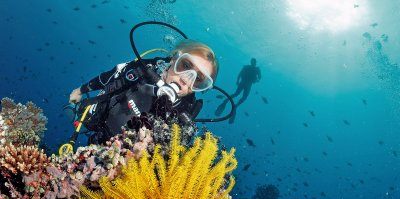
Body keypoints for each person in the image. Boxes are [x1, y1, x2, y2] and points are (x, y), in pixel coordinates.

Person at [69, 39, 218, 144]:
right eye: (185, 65)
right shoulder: (143, 70)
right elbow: (109, 77)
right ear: (174, 59)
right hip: (101, 122)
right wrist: (81, 90)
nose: (186, 79)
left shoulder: (185, 112)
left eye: (198, 78)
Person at [215, 58, 261, 124]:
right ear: (253, 62)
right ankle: (229, 102)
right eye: (253, 62)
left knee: (242, 97)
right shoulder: (252, 68)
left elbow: (259, 77)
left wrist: (238, 80)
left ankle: (232, 104)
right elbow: (258, 78)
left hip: (246, 83)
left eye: (254, 62)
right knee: (238, 94)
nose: (253, 63)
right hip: (245, 83)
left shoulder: (254, 69)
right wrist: (238, 80)